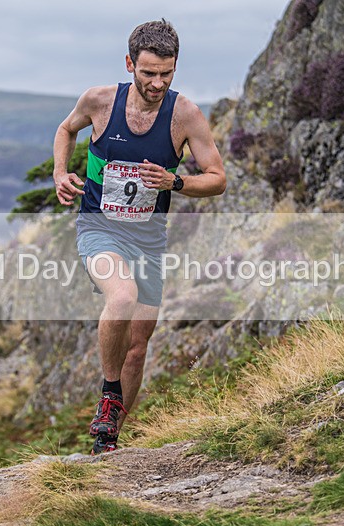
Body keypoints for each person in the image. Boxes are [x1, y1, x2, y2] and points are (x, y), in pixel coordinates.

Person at [52, 19, 226, 454]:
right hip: (99, 226)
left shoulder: (185, 114)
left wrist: (175, 183)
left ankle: (107, 441)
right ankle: (109, 396)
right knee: (122, 297)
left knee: (137, 348)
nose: (157, 82)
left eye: (166, 73)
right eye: (148, 73)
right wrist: (60, 172)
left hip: (149, 239)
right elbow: (66, 129)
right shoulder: (99, 101)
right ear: (130, 64)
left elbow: (218, 178)